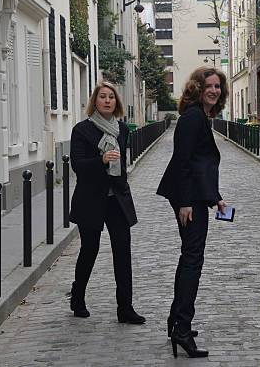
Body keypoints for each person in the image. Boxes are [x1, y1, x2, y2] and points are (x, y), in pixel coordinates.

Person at [157, 66, 228, 358]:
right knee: (192, 261)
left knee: (189, 257)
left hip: (196, 197)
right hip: (187, 199)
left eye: (217, 86)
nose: (214, 90)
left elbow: (201, 164)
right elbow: (184, 162)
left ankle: (177, 321)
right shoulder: (192, 118)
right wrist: (186, 203)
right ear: (197, 88)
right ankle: (182, 329)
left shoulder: (199, 117)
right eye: (209, 85)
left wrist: (216, 198)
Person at [68, 80, 145, 324]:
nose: (107, 100)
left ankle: (125, 308)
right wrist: (101, 160)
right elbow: (77, 166)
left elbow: (122, 166)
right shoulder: (82, 130)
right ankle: (77, 297)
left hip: (116, 200)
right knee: (89, 250)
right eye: (102, 96)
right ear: (95, 101)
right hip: (90, 199)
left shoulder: (122, 130)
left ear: (117, 102)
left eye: (111, 97)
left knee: (122, 252)